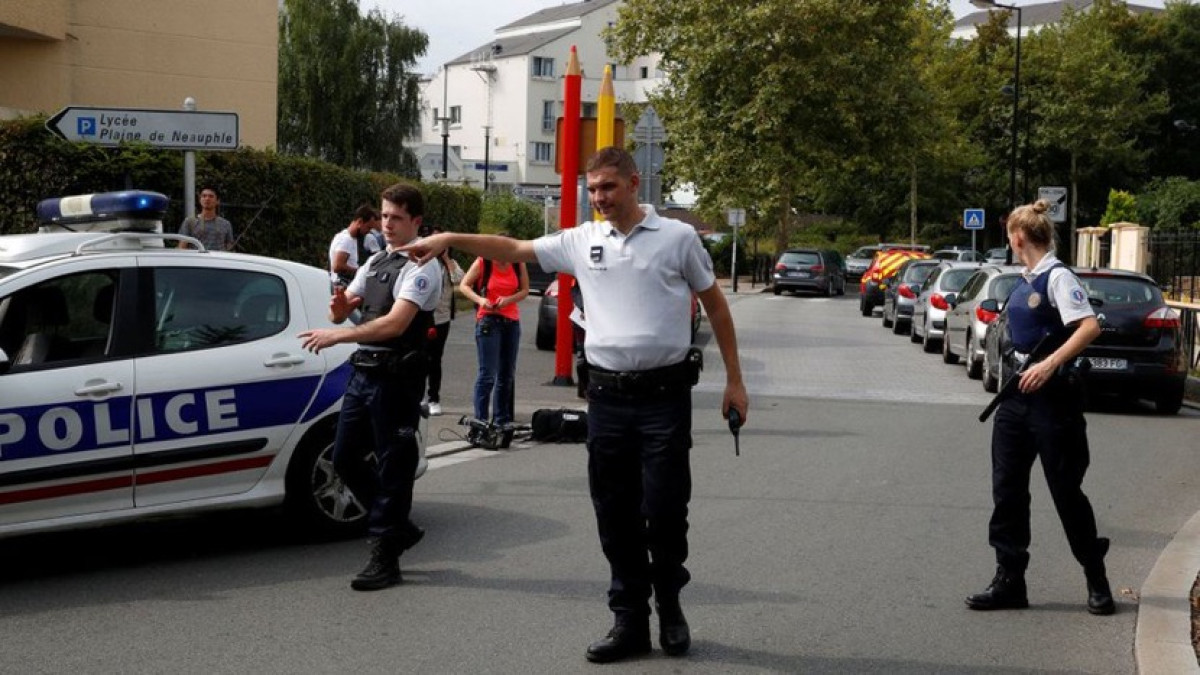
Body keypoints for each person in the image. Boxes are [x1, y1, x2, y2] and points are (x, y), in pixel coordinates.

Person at [402, 146, 749, 663]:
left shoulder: (677, 238)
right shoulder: (582, 239)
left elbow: (716, 307)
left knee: (665, 511)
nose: (599, 198)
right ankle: (629, 620)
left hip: (663, 399)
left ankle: (670, 605)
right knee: (615, 512)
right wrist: (449, 238)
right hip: (607, 399)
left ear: (634, 183)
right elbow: (513, 247)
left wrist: (735, 382)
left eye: (608, 187)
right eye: (592, 190)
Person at [965, 198, 1113, 615]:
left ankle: (1096, 576)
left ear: (1018, 238)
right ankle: (1010, 580)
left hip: (1053, 400)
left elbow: (1089, 327)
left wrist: (1049, 364)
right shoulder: (1024, 280)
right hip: (1016, 398)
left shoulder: (1058, 277)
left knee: (1065, 491)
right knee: (1007, 491)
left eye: (1009, 238)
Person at [298, 183, 441, 592]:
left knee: (394, 468)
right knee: (344, 457)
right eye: (384, 216)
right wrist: (339, 309)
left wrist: (337, 334)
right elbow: (344, 308)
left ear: (416, 221)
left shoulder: (422, 265)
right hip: (364, 374)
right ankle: (399, 526)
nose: (388, 224)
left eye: (397, 217)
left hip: (397, 378)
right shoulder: (377, 259)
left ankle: (385, 556)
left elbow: (395, 324)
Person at [457, 238, 529, 446]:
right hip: (489, 320)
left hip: (511, 321)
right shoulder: (484, 262)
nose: (503, 257)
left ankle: (501, 420)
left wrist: (508, 300)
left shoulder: (518, 263)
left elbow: (524, 290)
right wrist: (481, 300)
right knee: (487, 374)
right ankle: (480, 422)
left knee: (506, 375)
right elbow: (464, 285)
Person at [422, 224, 464, 416]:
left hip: (441, 317)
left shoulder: (450, 263)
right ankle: (418, 395)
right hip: (421, 317)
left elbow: (460, 281)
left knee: (435, 359)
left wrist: (447, 260)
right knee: (418, 357)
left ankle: (434, 398)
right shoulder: (421, 260)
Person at [329, 204, 383, 288]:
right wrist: (360, 271)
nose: (368, 232)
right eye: (368, 227)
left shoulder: (352, 239)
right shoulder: (346, 239)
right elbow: (337, 266)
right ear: (360, 222)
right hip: (342, 285)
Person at [178, 185, 234, 251]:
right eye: (204, 196)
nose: (207, 199)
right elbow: (182, 247)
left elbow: (229, 247)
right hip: (197, 257)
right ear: (200, 200)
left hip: (218, 257)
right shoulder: (189, 222)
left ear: (217, 201)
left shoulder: (226, 224)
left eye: (211, 196)